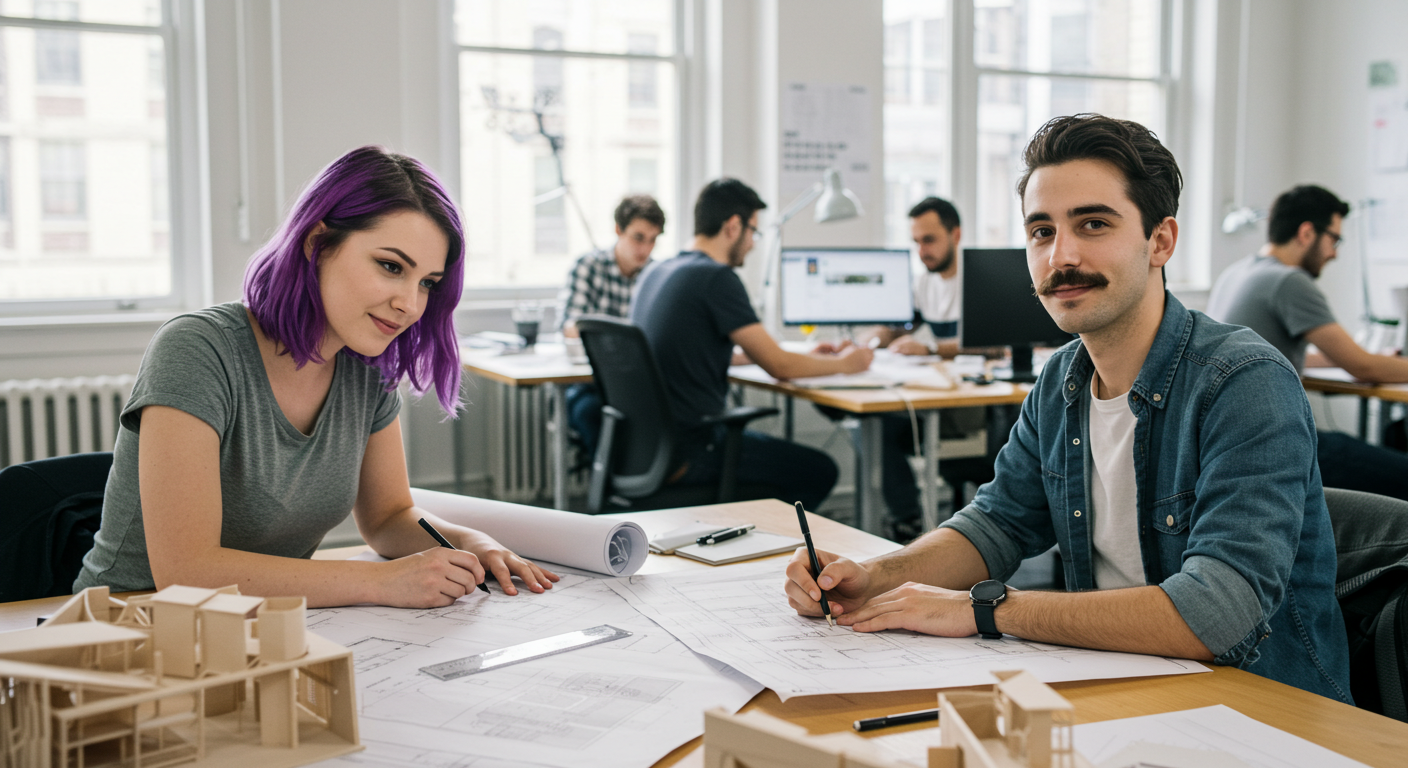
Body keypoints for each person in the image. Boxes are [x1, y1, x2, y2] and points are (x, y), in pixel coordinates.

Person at [784, 114, 1351, 702]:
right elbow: (999, 524)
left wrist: (988, 610)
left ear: (1160, 241)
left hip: (1261, 711)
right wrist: (875, 578)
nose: (1061, 255)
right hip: (1115, 688)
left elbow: (1217, 612)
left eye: (1094, 223)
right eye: (1041, 231)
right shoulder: (1062, 378)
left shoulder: (1242, 382)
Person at [74, 146, 559, 608]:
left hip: (263, 626)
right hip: (128, 629)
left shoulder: (367, 368)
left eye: (427, 283)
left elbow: (389, 518)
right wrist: (382, 582)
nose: (410, 304)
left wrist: (468, 541)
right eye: (391, 266)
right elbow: (186, 571)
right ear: (318, 244)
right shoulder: (198, 349)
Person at [630, 178, 873, 511]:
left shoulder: (658, 271)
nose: (754, 244)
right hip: (693, 450)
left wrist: (802, 356)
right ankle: (760, 548)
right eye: (753, 232)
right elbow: (781, 367)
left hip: (648, 450)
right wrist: (849, 363)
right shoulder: (716, 278)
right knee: (819, 471)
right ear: (733, 226)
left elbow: (687, 352)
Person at [1206, 184, 1408, 501]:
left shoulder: (1237, 273)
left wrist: (1364, 357)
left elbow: (1270, 353)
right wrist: (1373, 360)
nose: (1335, 253)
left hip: (1227, 441)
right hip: (1276, 444)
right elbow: (1362, 367)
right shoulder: (1288, 280)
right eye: (1334, 239)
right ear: (1306, 233)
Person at [557, 195, 667, 458]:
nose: (645, 249)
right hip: (591, 383)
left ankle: (643, 486)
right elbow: (571, 326)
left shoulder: (657, 275)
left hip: (640, 383)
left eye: (653, 240)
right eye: (638, 237)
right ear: (619, 229)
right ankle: (608, 490)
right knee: (588, 411)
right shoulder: (589, 267)